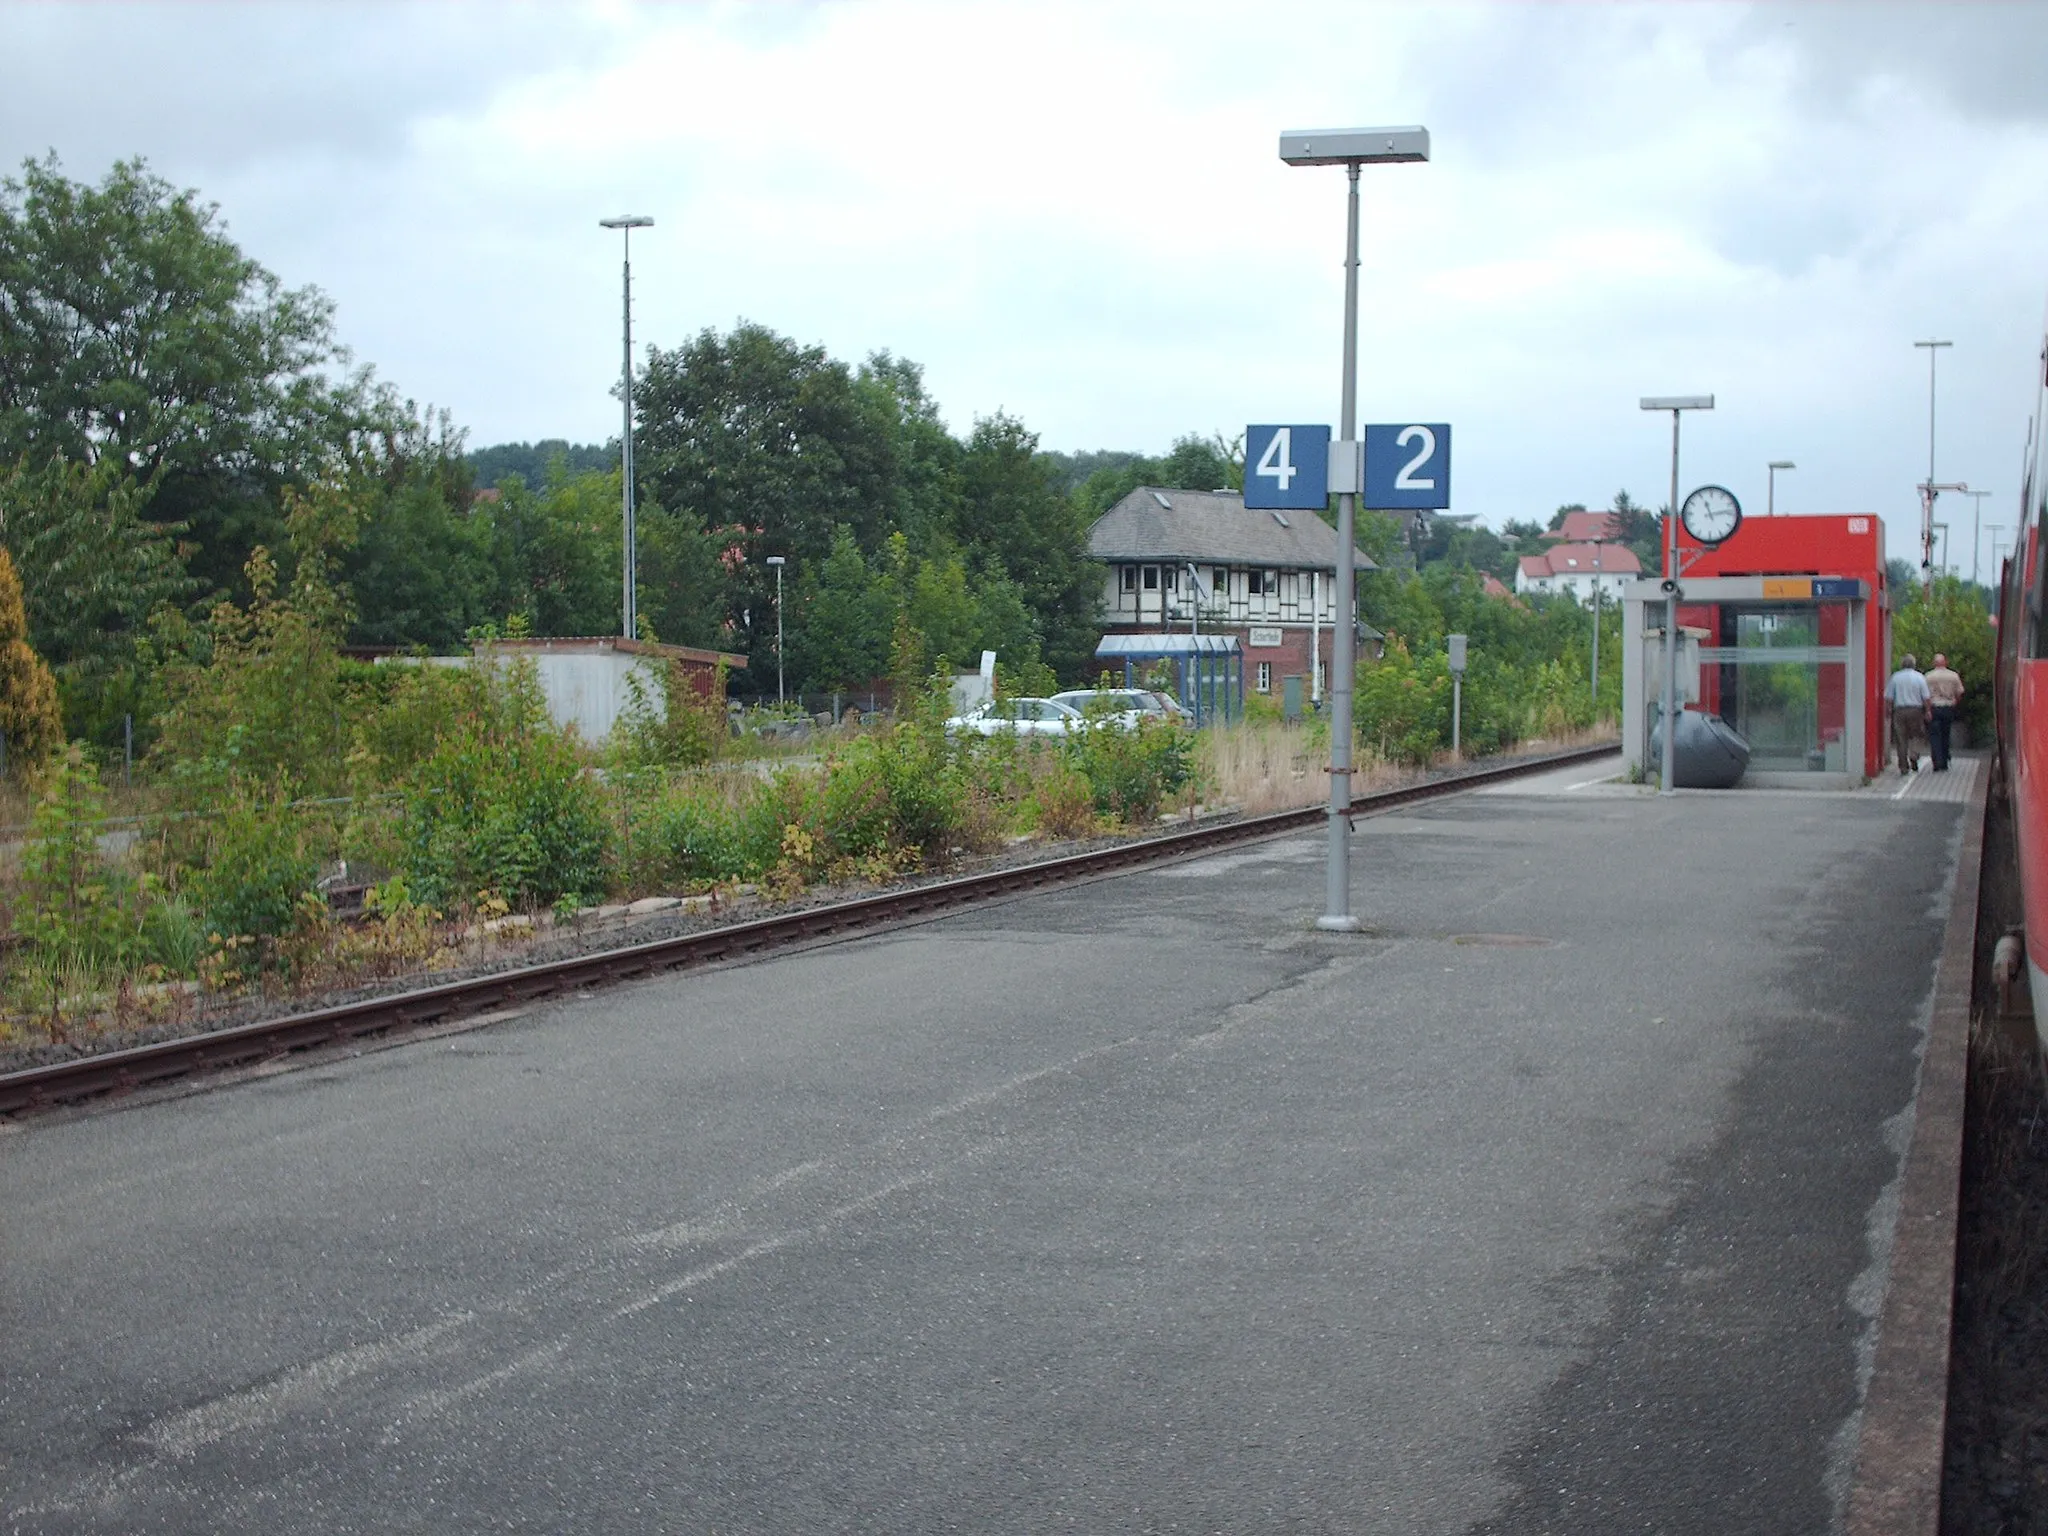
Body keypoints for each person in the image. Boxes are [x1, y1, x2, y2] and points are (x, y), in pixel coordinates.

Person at [1885, 653, 1930, 774]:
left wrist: (1888, 710)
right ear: (1914, 664)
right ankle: (1914, 755)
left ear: (1902, 664)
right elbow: (1926, 697)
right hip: (1916, 710)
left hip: (1899, 711)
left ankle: (1903, 766)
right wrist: (1928, 711)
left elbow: (1889, 697)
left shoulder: (1895, 677)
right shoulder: (1920, 677)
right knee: (1917, 735)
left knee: (1901, 739)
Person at [1925, 652, 1964, 771]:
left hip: (1934, 707)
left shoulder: (1928, 676)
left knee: (1934, 735)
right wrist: (1955, 702)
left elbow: (1925, 695)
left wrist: (1927, 710)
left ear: (1934, 663)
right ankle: (1945, 760)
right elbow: (1960, 692)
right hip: (1948, 707)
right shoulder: (1953, 676)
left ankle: (1937, 761)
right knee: (1946, 734)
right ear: (1945, 662)